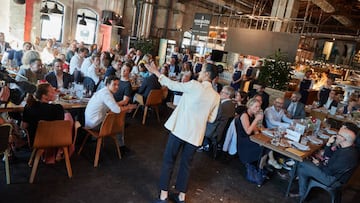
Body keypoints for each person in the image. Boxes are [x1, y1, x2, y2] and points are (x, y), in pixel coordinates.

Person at [147, 62, 220, 203]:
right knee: (186, 164)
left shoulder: (194, 85)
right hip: (195, 135)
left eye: (201, 71)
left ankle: (163, 196)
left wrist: (156, 72)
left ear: (206, 74)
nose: (198, 73)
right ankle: (181, 197)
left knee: (169, 161)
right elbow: (211, 118)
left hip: (180, 130)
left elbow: (172, 85)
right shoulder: (216, 96)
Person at [291, 123, 359, 200]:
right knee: (302, 168)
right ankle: (302, 194)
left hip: (333, 181)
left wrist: (318, 164)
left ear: (343, 139)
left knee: (302, 162)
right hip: (333, 175)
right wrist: (328, 144)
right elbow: (328, 158)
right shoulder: (347, 148)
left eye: (338, 134)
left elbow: (328, 171)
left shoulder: (346, 155)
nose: (335, 136)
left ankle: (297, 184)